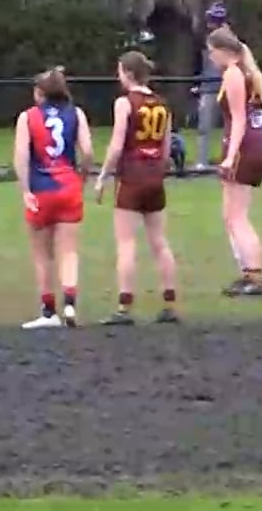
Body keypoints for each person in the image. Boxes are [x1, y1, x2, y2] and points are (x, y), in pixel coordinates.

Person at [94, 51, 181, 326]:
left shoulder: (124, 103)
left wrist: (103, 175)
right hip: (155, 177)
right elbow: (167, 149)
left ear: (128, 74)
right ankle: (169, 304)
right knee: (159, 242)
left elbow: (117, 144)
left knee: (127, 243)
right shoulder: (162, 105)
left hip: (131, 177)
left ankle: (124, 306)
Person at [14, 67, 92, 329]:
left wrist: (25, 190)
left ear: (40, 93)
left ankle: (48, 312)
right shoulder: (76, 113)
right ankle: (70, 303)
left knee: (42, 254)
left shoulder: (27, 117)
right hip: (69, 185)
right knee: (69, 251)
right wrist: (83, 175)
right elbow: (88, 151)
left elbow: (21, 157)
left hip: (42, 187)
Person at [209, 26, 262, 298]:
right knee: (231, 216)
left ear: (224, 51)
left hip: (244, 148)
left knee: (237, 217)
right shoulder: (248, 73)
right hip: (256, 145)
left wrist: (230, 155)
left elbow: (239, 119)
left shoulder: (234, 74)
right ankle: (248, 272)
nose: (210, 57)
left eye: (212, 51)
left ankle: (255, 276)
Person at [190, 1, 230, 171]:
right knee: (204, 127)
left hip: (227, 86)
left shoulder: (230, 40)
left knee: (231, 126)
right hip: (208, 87)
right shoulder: (206, 40)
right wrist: (197, 83)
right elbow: (200, 64)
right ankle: (202, 161)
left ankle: (230, 159)